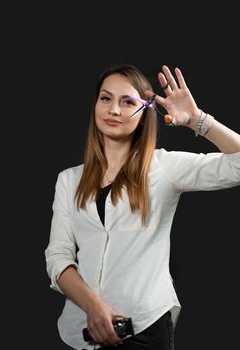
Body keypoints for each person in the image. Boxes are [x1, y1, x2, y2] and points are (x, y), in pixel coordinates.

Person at [44, 63, 240, 350]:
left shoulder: (163, 167)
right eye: (106, 99)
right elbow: (58, 257)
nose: (114, 110)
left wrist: (198, 120)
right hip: (81, 332)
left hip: (145, 331)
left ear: (144, 111)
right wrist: (93, 306)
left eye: (127, 102)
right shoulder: (68, 180)